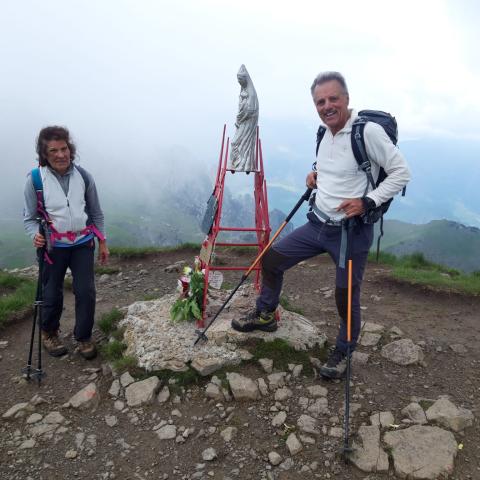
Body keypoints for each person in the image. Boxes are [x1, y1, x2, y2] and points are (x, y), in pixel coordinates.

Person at [231, 71, 411, 379]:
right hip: (318, 224)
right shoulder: (323, 132)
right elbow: (330, 164)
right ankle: (265, 314)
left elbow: (401, 173)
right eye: (320, 101)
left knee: (346, 296)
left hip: (351, 232)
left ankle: (344, 349)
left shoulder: (366, 132)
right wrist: (315, 174)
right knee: (272, 260)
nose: (326, 106)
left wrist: (367, 202)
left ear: (347, 99)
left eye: (333, 99)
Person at [23, 126, 109, 360]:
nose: (60, 155)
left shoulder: (83, 176)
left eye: (64, 149)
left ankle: (83, 337)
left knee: (86, 291)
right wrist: (35, 234)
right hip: (52, 247)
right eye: (53, 150)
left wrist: (102, 241)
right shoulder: (35, 180)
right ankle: (50, 333)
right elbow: (30, 218)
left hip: (82, 243)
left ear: (70, 150)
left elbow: (96, 213)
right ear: (44, 153)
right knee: (50, 293)